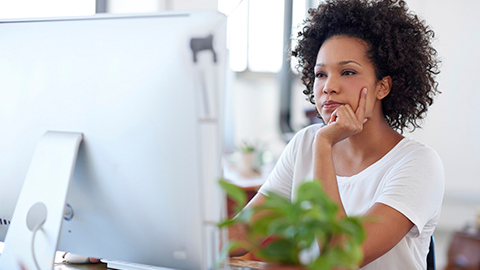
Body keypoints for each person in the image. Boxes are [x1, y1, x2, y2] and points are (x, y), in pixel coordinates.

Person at [229, 0, 444, 269]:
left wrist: (324, 143)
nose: (329, 86)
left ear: (382, 86)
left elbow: (341, 256)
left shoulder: (419, 164)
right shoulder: (303, 143)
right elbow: (243, 232)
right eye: (320, 74)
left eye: (348, 72)